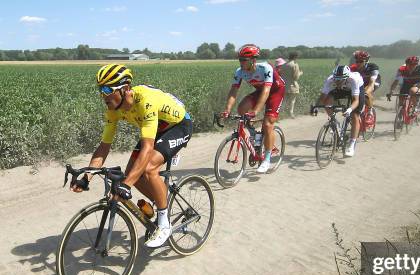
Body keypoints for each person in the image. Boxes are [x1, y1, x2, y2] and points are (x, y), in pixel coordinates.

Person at [71, 64, 193, 248]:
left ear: (125, 88)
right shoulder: (113, 110)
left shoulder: (145, 101)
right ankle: (160, 198)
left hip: (178, 126)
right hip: (156, 129)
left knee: (150, 168)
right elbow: (104, 147)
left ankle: (163, 224)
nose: (102, 95)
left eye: (106, 89)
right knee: (132, 175)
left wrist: (125, 186)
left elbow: (147, 148)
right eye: (99, 89)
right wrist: (87, 177)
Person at [221, 44, 286, 174]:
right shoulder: (239, 72)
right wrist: (227, 109)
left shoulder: (265, 68)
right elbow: (233, 91)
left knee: (268, 124)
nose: (241, 62)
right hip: (261, 91)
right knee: (241, 109)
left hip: (275, 91)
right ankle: (254, 134)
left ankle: (267, 159)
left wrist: (255, 110)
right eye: (240, 59)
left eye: (244, 60)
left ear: (253, 60)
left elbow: (267, 90)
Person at [316, 65, 364, 157]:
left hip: (355, 89)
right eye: (336, 79)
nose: (337, 82)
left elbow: (356, 100)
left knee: (355, 115)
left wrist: (350, 109)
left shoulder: (353, 80)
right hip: (342, 89)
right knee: (327, 102)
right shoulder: (330, 80)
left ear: (346, 78)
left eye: (340, 80)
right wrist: (316, 107)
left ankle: (351, 144)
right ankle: (335, 122)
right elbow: (322, 97)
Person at [278, 52, 302, 119]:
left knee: (284, 101)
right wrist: (300, 73)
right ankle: (291, 113)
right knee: (292, 101)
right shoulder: (295, 65)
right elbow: (296, 77)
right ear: (295, 57)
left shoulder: (283, 65)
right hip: (293, 85)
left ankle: (280, 113)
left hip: (284, 85)